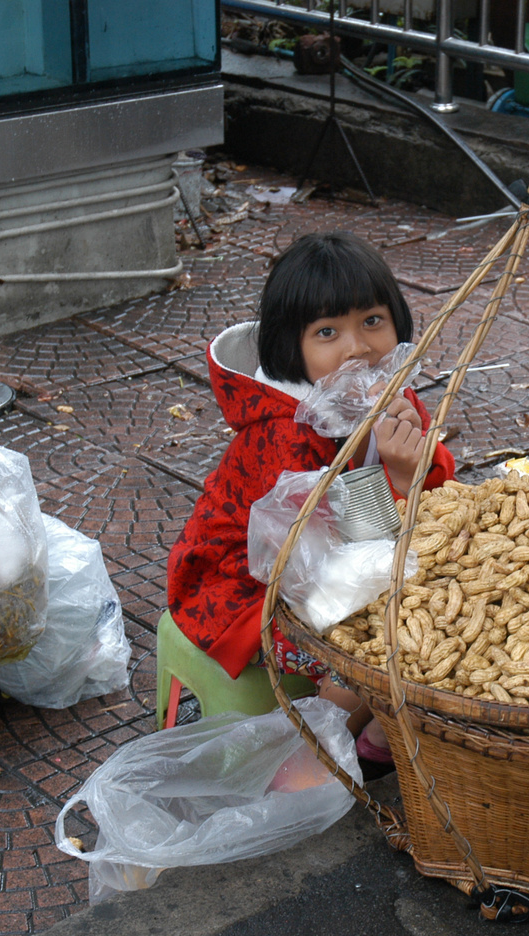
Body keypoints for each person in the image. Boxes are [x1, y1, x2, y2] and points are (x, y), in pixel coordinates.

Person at [165, 232, 456, 768]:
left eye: (373, 321)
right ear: (291, 347)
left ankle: (379, 729)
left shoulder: (388, 394)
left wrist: (417, 465)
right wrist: (395, 477)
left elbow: (435, 490)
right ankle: (316, 752)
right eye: (328, 332)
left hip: (348, 558)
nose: (358, 347)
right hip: (245, 584)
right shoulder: (285, 432)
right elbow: (324, 559)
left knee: (451, 594)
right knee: (379, 635)